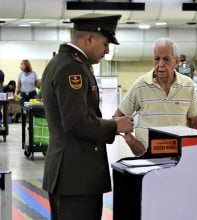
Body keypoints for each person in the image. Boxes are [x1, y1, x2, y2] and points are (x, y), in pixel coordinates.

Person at [40, 14, 134, 220]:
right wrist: (115, 126)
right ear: (89, 39)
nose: (107, 50)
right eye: (105, 43)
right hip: (76, 177)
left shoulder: (63, 62)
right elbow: (77, 122)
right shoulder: (72, 67)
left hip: (72, 175)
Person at [113, 38, 197, 156]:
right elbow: (117, 118)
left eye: (166, 59)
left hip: (179, 157)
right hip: (147, 157)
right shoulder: (140, 85)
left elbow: (195, 123)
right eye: (157, 59)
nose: (160, 64)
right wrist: (132, 141)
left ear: (176, 62)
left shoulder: (187, 85)